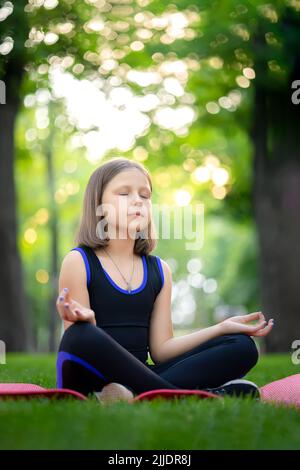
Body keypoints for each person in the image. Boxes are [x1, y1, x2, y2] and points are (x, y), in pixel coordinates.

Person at [56, 157, 274, 404]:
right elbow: (81, 346)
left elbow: (161, 351)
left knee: (241, 346)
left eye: (145, 195)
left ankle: (131, 395)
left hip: (140, 376)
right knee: (81, 334)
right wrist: (90, 322)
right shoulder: (78, 261)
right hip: (88, 374)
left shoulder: (159, 270)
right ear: (99, 206)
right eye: (124, 193)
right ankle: (183, 396)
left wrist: (221, 328)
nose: (138, 200)